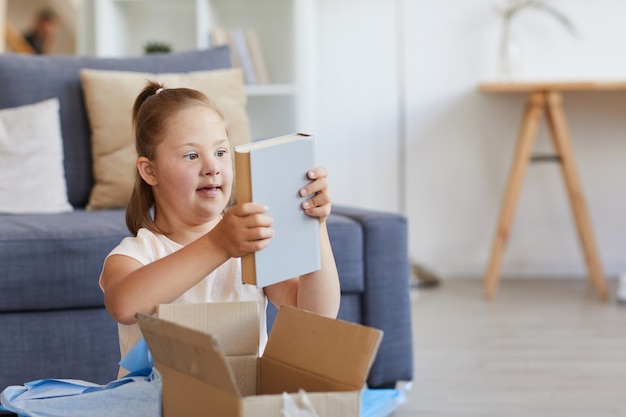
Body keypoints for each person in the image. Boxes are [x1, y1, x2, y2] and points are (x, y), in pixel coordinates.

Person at [99, 81, 340, 376]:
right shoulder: (138, 253)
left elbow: (316, 318)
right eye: (191, 155)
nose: (212, 167)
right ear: (150, 171)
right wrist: (219, 244)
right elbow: (123, 305)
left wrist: (316, 227)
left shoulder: (252, 246)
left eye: (221, 152)